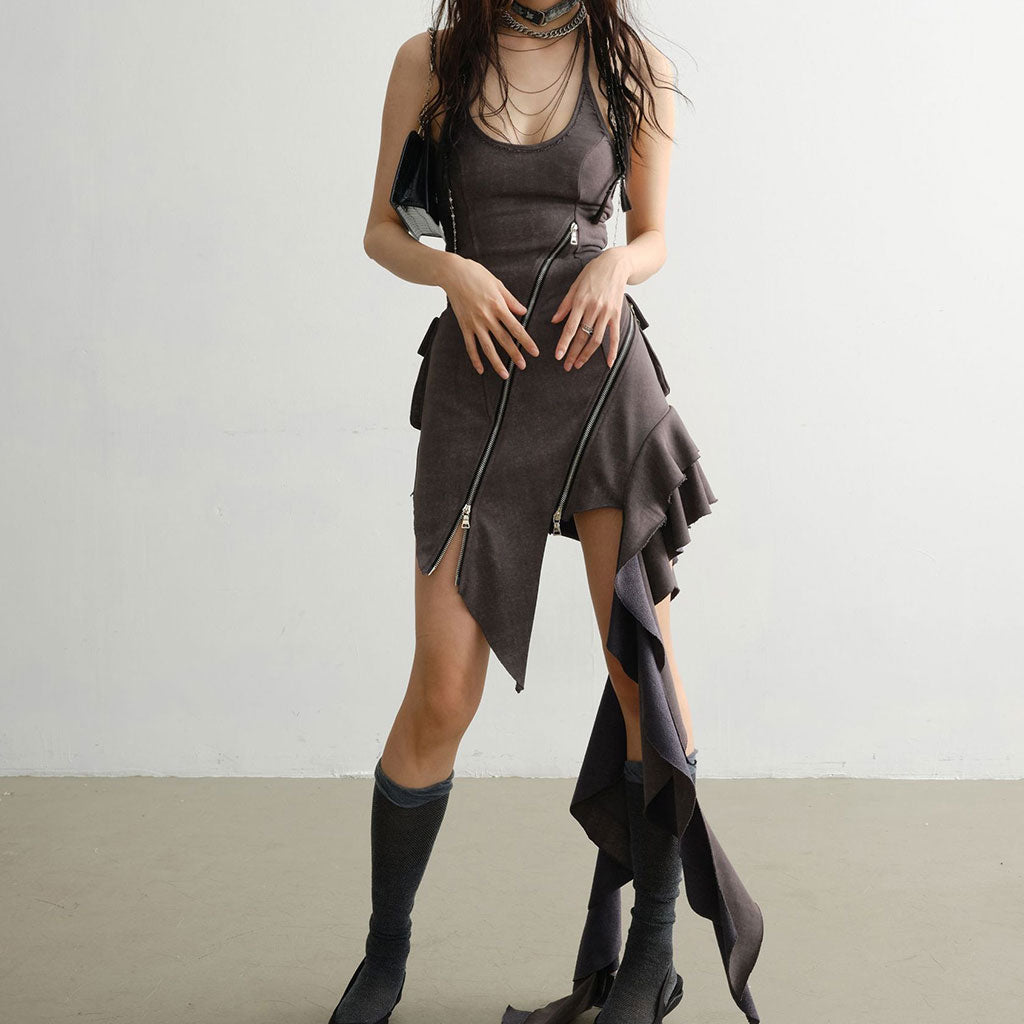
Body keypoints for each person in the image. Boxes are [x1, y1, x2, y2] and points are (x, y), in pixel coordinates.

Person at [330, 2, 764, 1022]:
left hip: (597, 369)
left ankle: (651, 955)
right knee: (443, 691)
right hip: (476, 376)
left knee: (640, 671)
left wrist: (616, 262)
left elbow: (653, 235)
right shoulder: (431, 60)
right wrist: (450, 270)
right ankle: (385, 951)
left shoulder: (630, 64)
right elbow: (381, 230)